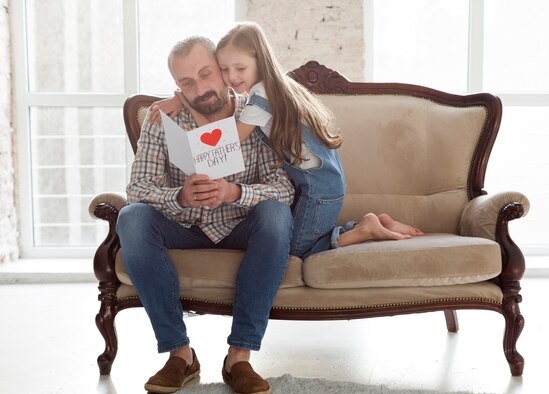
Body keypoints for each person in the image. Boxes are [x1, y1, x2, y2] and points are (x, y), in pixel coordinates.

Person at [116, 35, 295, 394]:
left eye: (206, 74)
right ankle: (180, 353)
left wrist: (235, 192)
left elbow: (284, 188)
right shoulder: (161, 118)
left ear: (222, 69)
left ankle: (239, 357)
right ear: (176, 86)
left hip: (242, 223)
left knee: (276, 215)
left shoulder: (255, 112)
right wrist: (179, 196)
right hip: (185, 225)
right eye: (186, 82)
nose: (200, 88)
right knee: (132, 217)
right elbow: (138, 190)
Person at [152, 22, 423, 259]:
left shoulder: (260, 101)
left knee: (293, 249)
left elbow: (226, 143)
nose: (232, 77)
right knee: (290, 237)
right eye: (224, 69)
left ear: (260, 61)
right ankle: (371, 224)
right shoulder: (275, 89)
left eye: (240, 68)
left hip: (319, 186)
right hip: (320, 178)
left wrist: (187, 102)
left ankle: (365, 230)